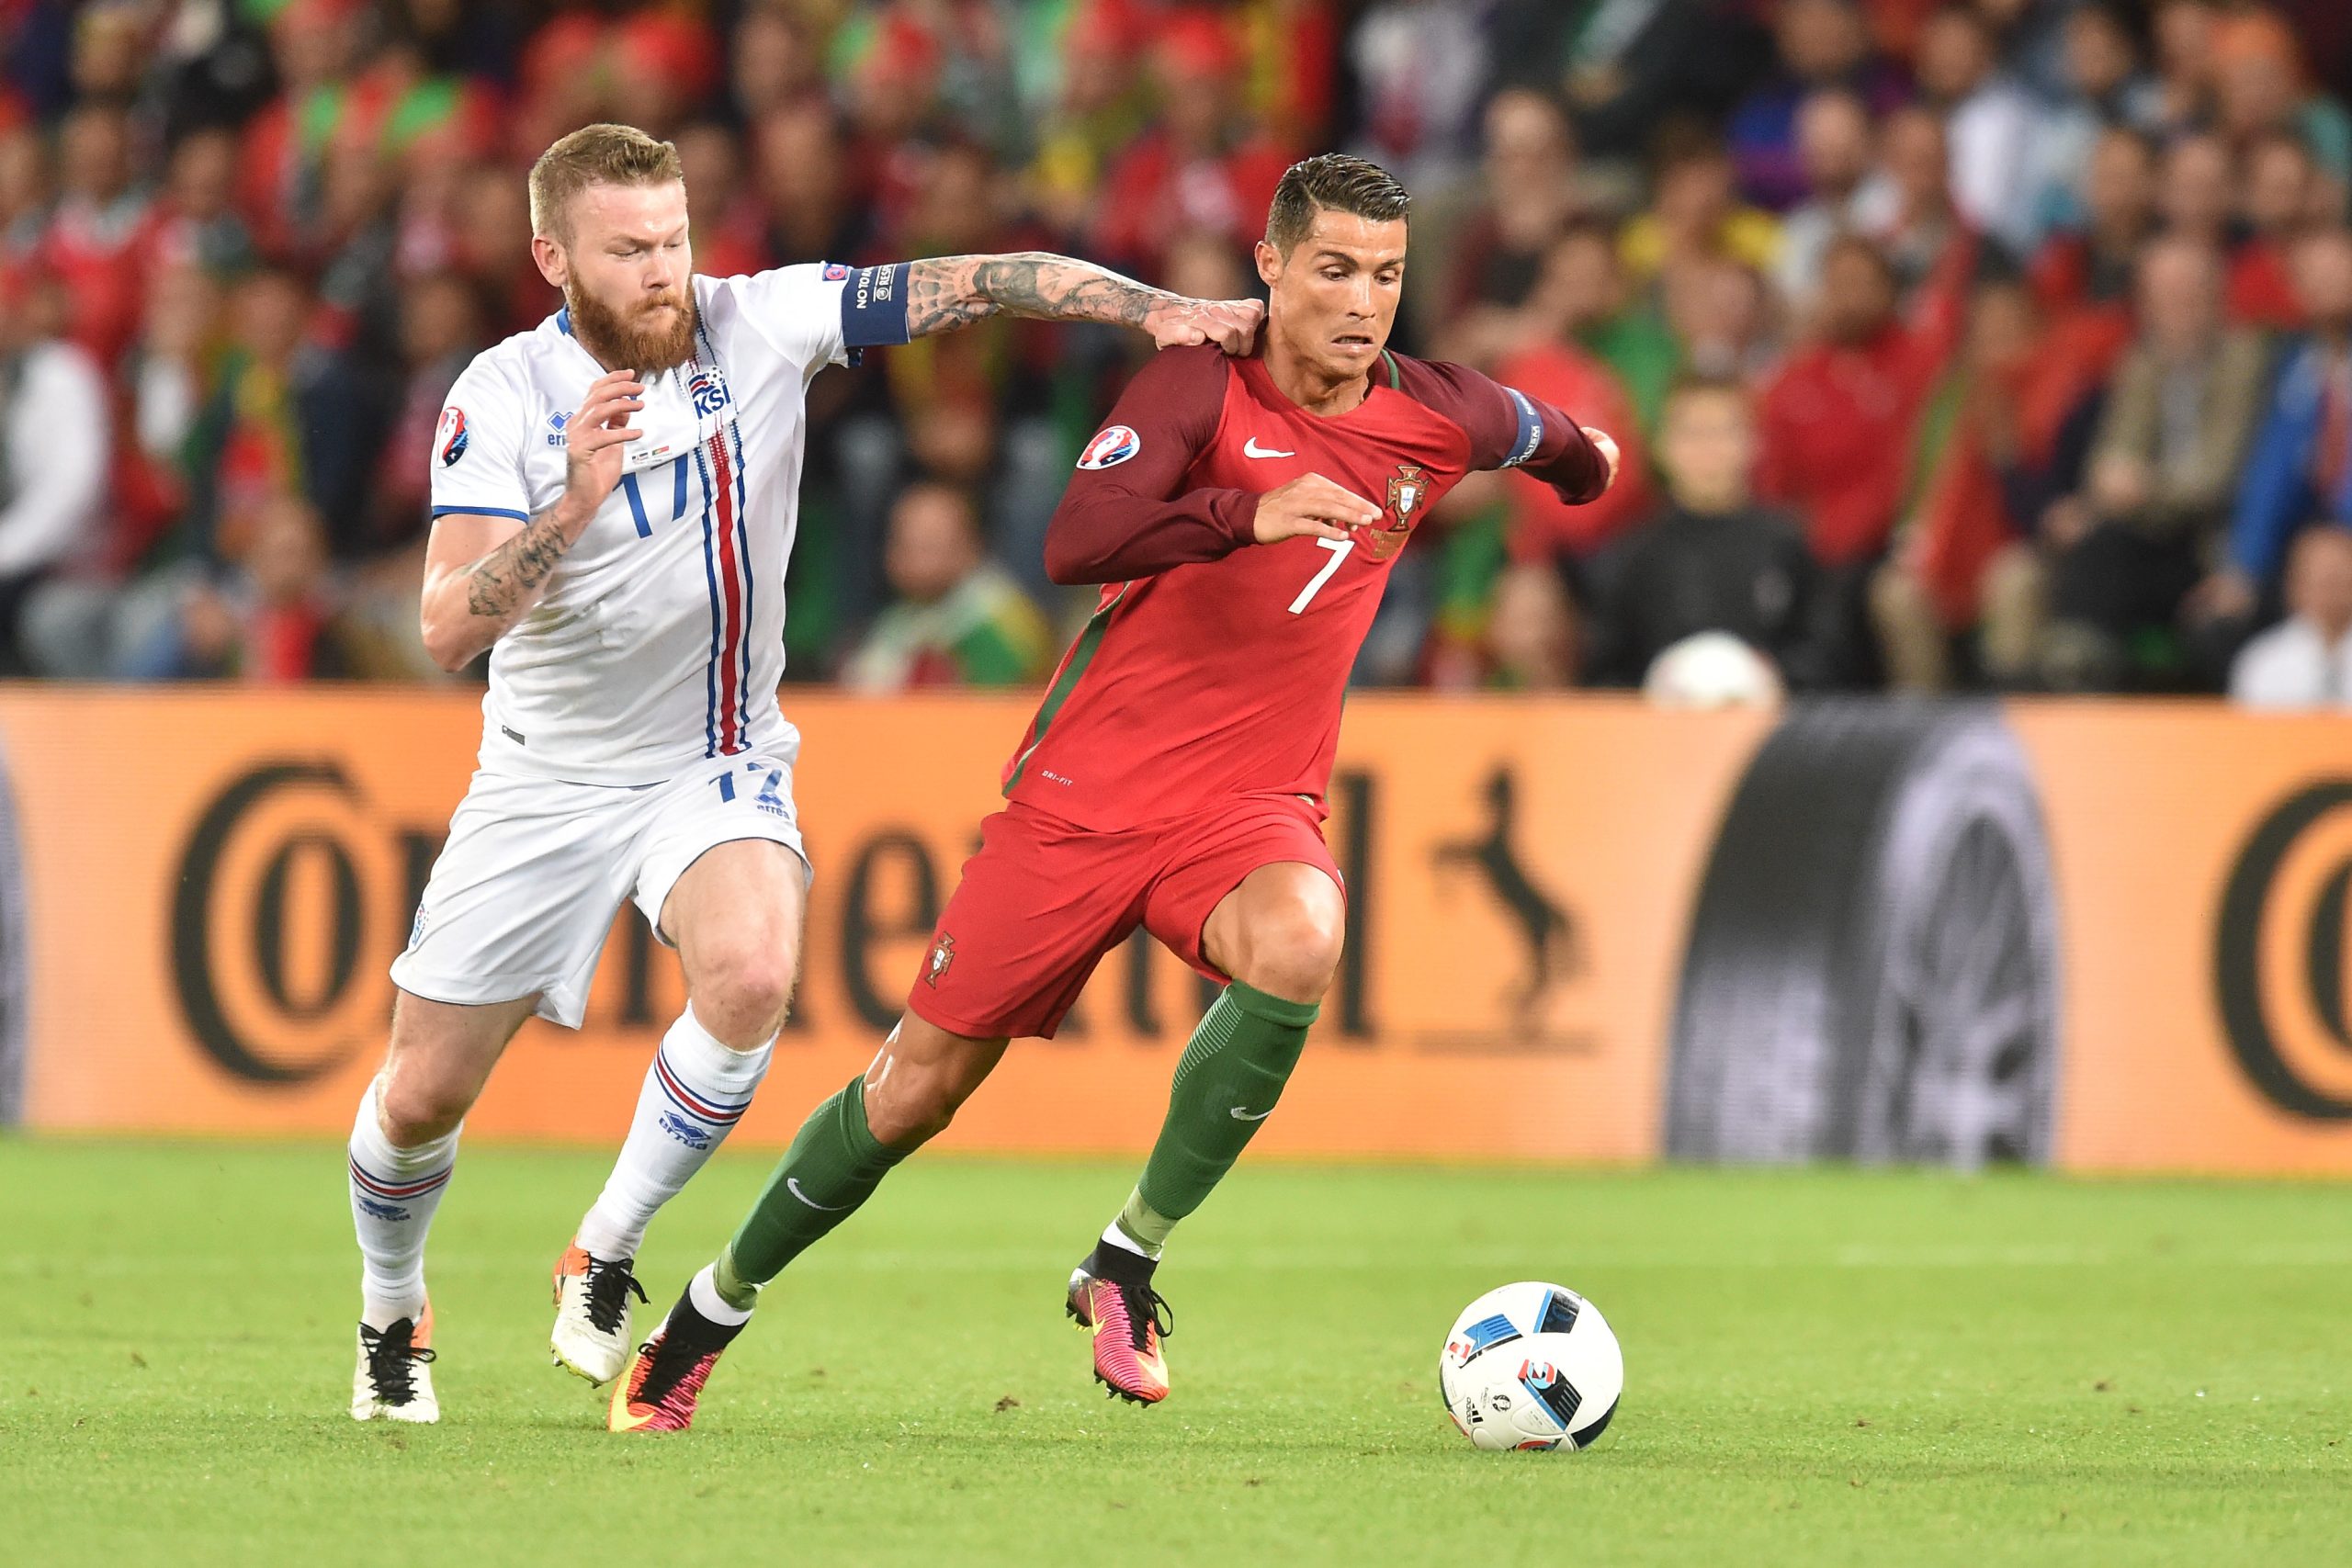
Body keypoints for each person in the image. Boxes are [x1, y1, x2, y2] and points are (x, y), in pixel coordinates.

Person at [607, 153, 1618, 1434]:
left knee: (1304, 938)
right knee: (916, 1087)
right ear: (1271, 265)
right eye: (1334, 270)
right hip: (1086, 795)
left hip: (1249, 806)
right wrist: (1242, 517)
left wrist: (1589, 462)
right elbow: (1078, 536)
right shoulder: (1202, 378)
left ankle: (1127, 1257)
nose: (1362, 302)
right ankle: (712, 1305)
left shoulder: (1435, 412)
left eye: (1387, 276)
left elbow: (1552, 441)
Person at [344, 121, 1261, 1425]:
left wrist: (1156, 309)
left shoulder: (761, 322)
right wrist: (572, 505)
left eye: (674, 239)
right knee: (420, 1094)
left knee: (756, 973)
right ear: (552, 256)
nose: (665, 272)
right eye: (628, 251)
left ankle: (604, 1249)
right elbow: (444, 628)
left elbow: (980, 279)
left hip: (712, 758)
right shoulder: (500, 396)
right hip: (545, 776)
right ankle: (393, 1306)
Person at [1589, 377, 1825, 689]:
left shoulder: (1788, 545)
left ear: (1754, 443)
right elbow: (1606, 672)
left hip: (1768, 724)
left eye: (1724, 432)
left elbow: (1826, 656)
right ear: (1661, 446)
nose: (1709, 449)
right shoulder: (1635, 556)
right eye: (1693, 434)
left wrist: (1770, 676)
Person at [841, 481, 1054, 692]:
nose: (912, 558)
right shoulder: (900, 617)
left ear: (972, 545)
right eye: (903, 543)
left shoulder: (1001, 622)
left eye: (928, 545)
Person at [2230, 525, 2352, 706]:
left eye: (2340, 580)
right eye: (2323, 582)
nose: (2332, 592)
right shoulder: (2263, 661)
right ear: (2295, 585)